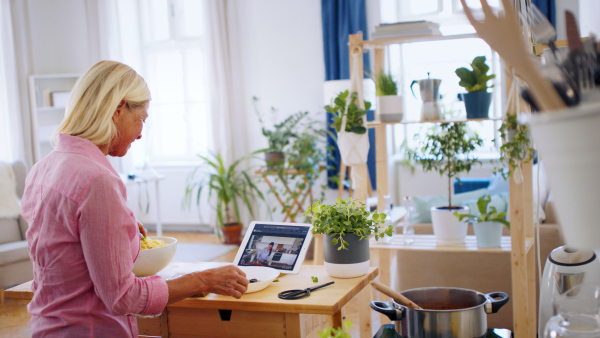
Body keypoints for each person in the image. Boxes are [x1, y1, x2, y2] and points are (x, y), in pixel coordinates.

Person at [21, 61, 249, 337]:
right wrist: (203, 280)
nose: (141, 133)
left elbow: (64, 254)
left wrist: (120, 228)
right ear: (118, 109)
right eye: (140, 119)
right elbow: (122, 297)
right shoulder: (97, 180)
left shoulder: (43, 168)